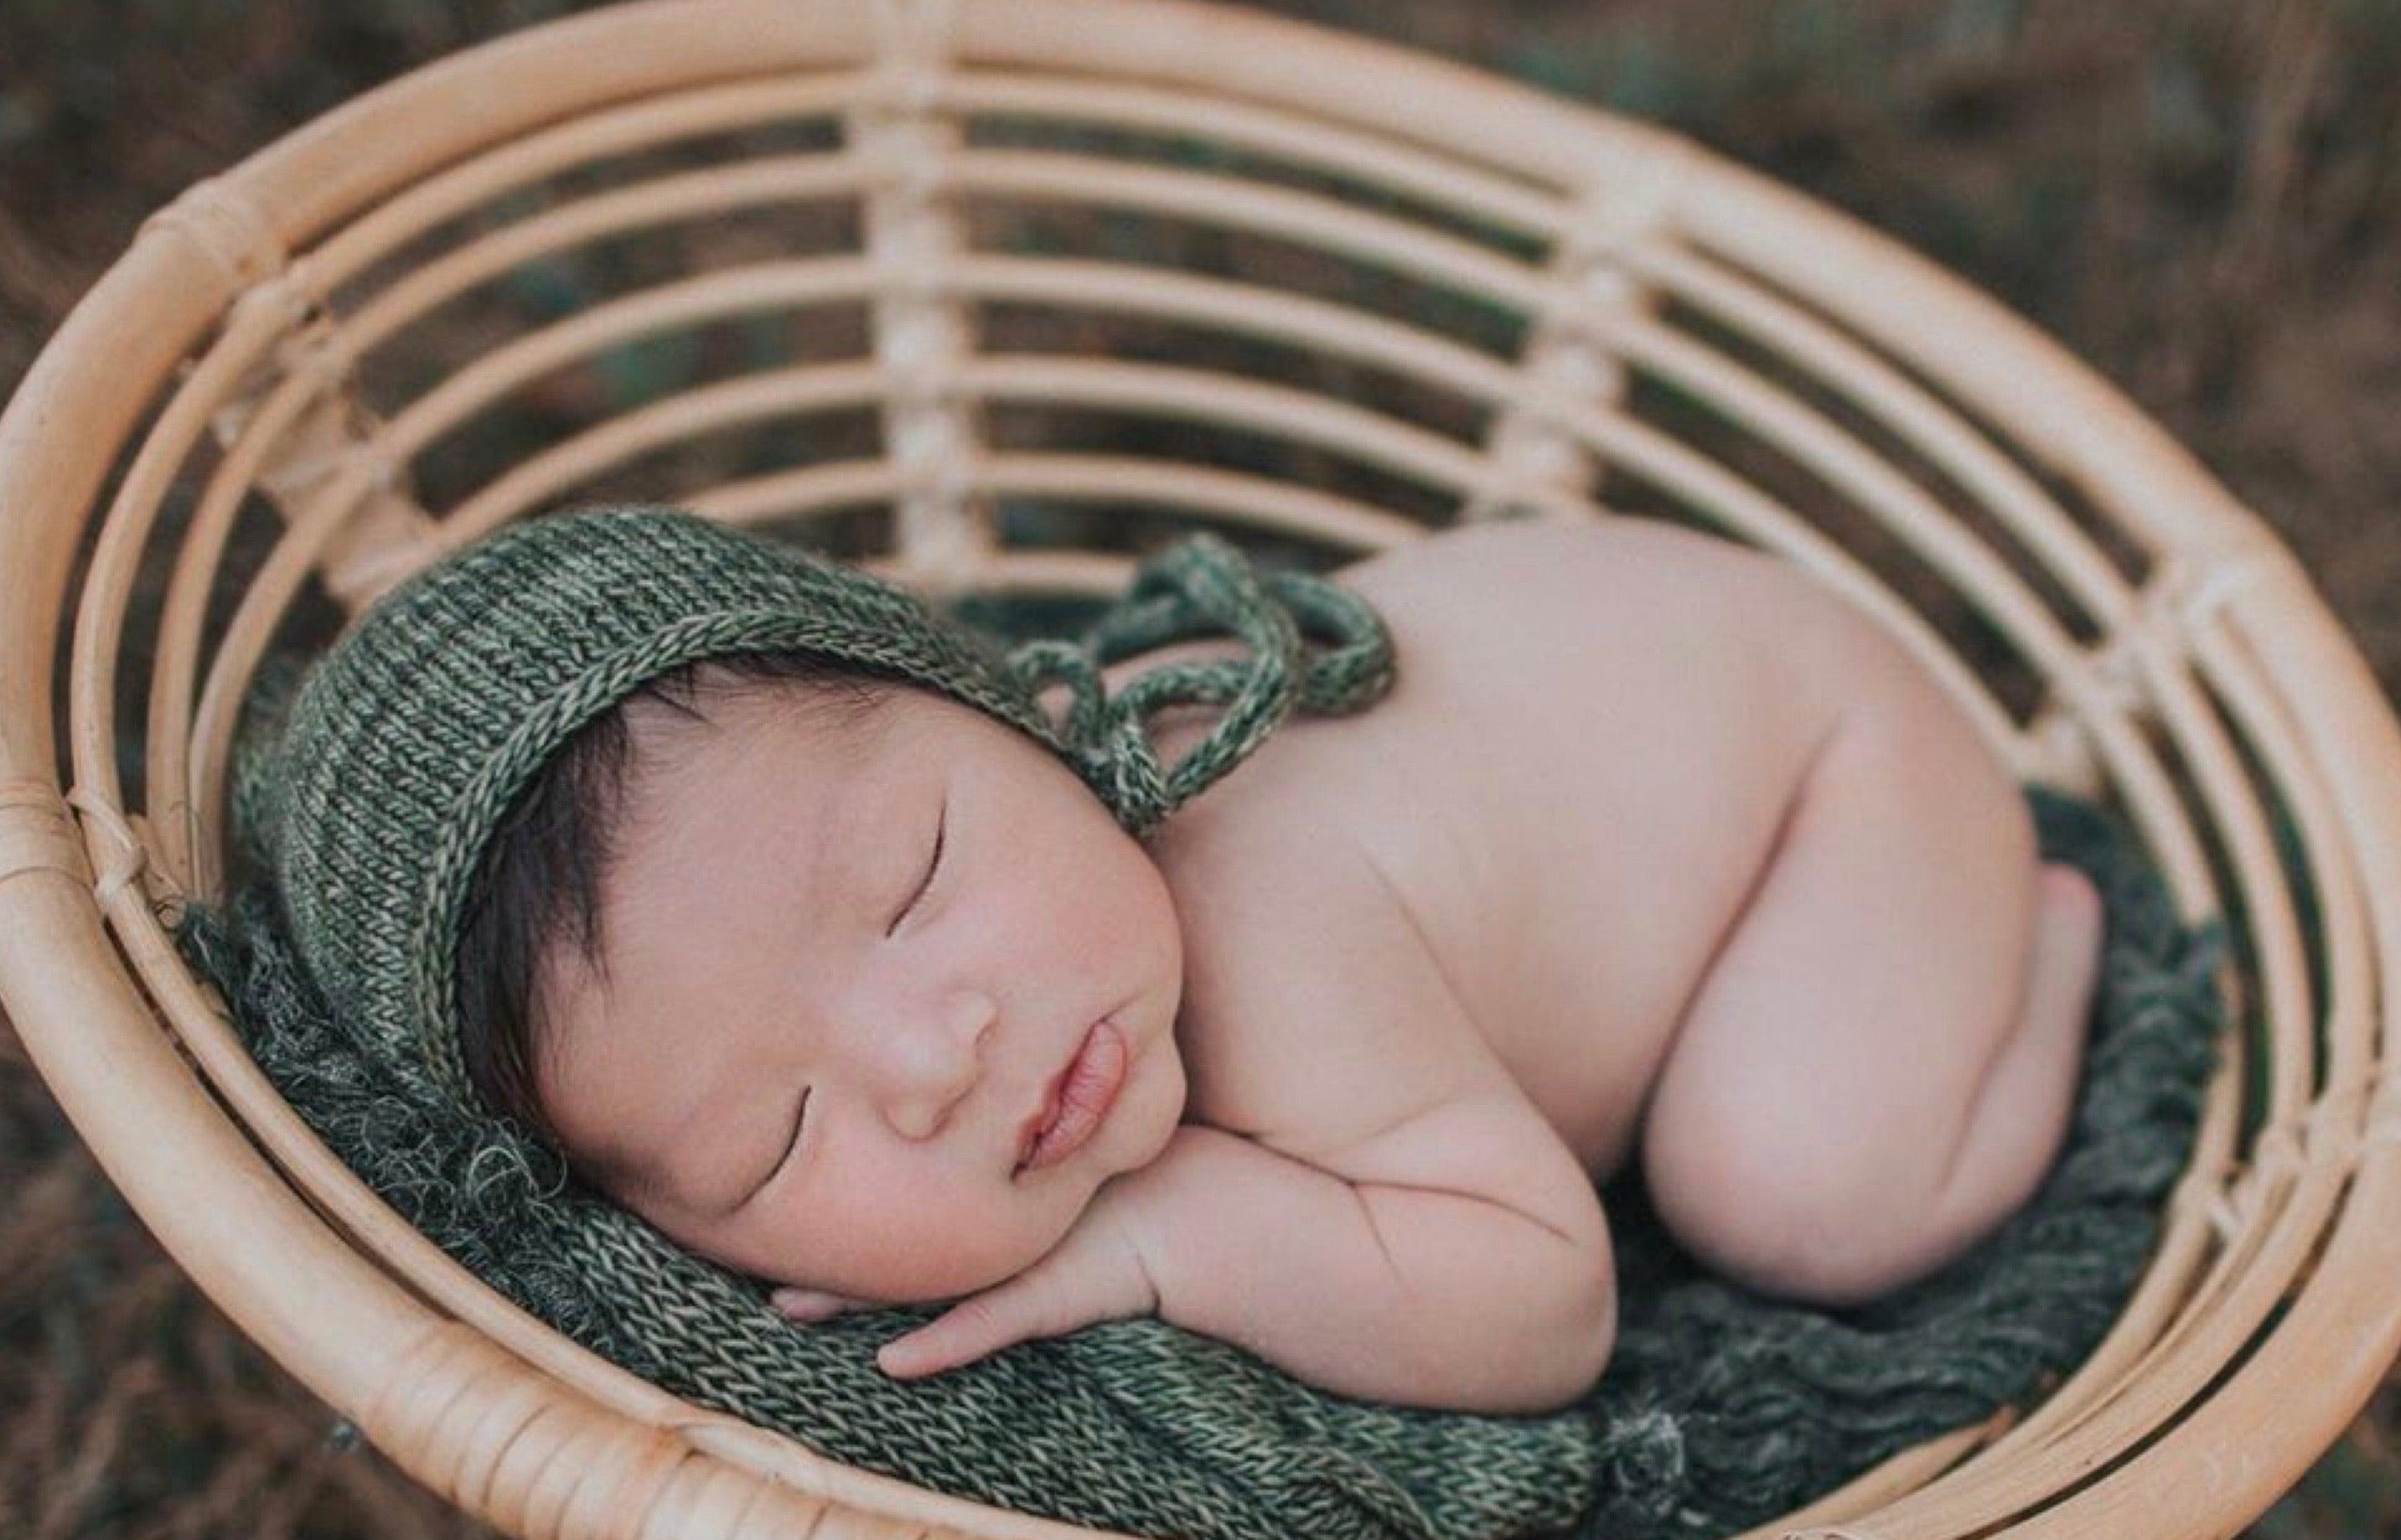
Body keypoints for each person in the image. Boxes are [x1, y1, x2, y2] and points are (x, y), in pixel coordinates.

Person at [439, 509, 2103, 1414]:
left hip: (1823, 776)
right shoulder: (1036, 914)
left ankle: (2036, 943)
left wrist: (1175, 1234)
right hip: (1648, 690)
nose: (932, 1055)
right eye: (774, 1136)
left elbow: (1545, 1302)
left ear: (1020, 712)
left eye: (917, 879)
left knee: (1796, 1191)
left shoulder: (1267, 912)